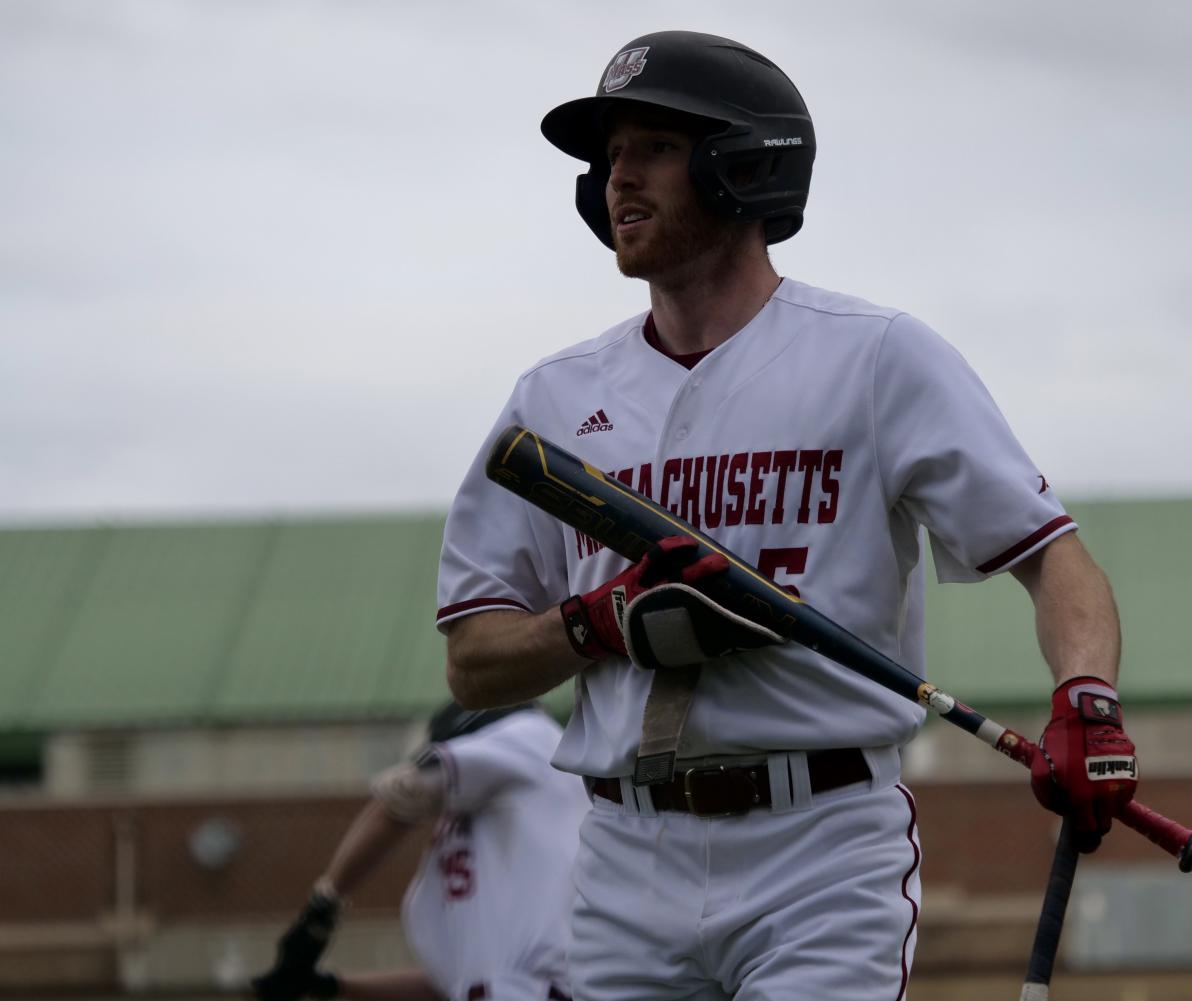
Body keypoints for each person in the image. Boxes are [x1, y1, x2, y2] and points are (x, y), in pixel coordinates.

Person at [437, 29, 1138, 1001]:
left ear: (743, 165)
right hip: (620, 852)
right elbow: (471, 657)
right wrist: (594, 622)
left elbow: (1054, 558)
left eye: (652, 147)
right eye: (607, 157)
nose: (615, 176)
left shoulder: (877, 356)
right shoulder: (551, 397)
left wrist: (1087, 702)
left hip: (820, 847)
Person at [251, 701, 589, 1001]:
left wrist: (319, 911)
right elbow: (450, 985)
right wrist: (332, 985)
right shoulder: (506, 832)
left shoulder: (526, 734)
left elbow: (403, 793)